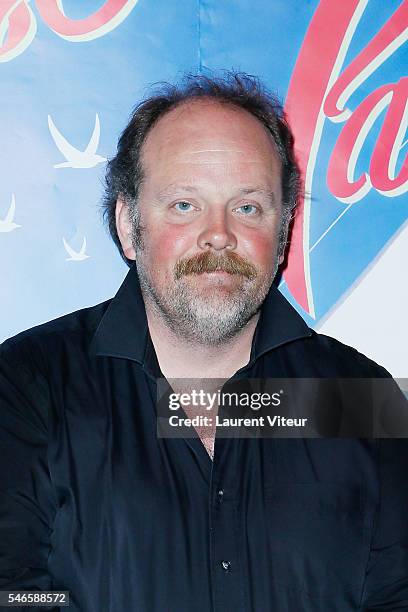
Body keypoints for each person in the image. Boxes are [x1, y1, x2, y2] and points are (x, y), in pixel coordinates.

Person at [0, 72, 407, 611]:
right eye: (185, 204)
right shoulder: (30, 385)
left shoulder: (359, 397)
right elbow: (14, 594)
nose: (220, 234)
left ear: (283, 231)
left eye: (247, 207)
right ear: (128, 225)